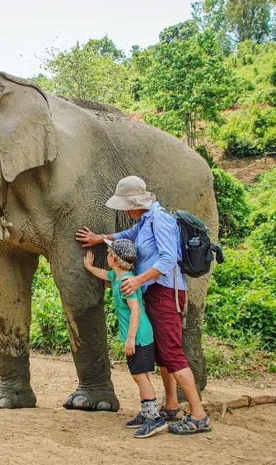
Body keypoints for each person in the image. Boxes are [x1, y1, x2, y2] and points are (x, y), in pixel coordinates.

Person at [76, 176, 211, 435]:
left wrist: (137, 279)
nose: (125, 211)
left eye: (126, 205)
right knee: (162, 354)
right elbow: (126, 235)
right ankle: (170, 407)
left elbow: (168, 259)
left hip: (166, 292)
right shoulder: (144, 220)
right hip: (153, 291)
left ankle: (199, 415)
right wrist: (99, 238)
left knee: (172, 353)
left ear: (135, 202)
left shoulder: (160, 220)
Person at [83, 239, 166, 438]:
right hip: (137, 335)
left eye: (109, 254)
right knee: (138, 374)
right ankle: (146, 413)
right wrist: (89, 266)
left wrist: (130, 339)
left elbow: (135, 310)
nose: (107, 257)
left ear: (113, 259)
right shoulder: (119, 277)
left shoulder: (126, 284)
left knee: (140, 376)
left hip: (139, 335)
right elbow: (105, 275)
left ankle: (154, 418)